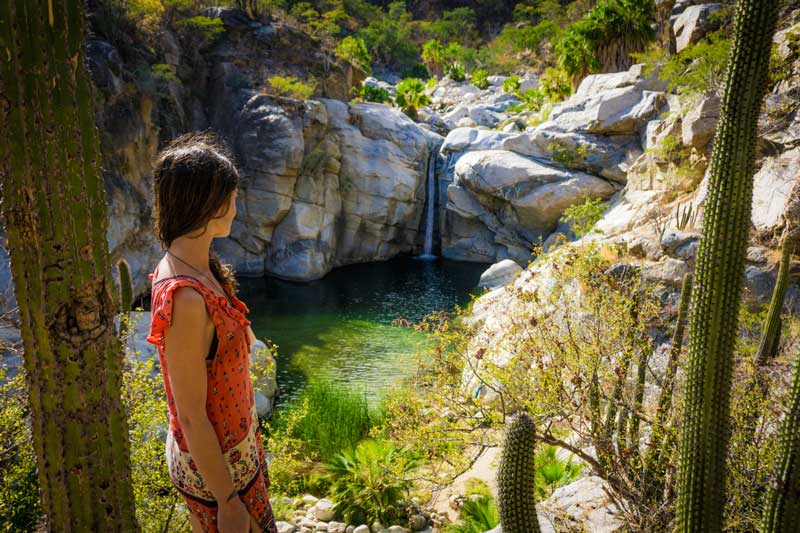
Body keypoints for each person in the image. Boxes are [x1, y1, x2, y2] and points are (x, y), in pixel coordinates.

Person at [145, 132, 277, 533]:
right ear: (211, 204)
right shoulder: (185, 298)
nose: (237, 205)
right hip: (218, 475)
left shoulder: (200, 266)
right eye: (232, 196)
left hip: (235, 455)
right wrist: (227, 501)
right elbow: (190, 414)